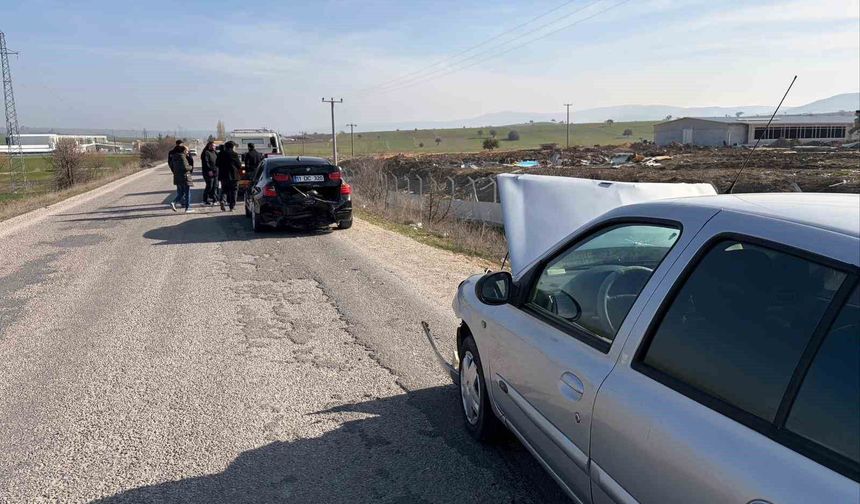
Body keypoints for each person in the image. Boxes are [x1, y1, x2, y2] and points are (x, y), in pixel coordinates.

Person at [168, 144, 194, 213]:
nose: (187, 152)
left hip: (177, 177)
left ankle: (174, 202)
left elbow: (172, 167)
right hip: (184, 177)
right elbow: (186, 167)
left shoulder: (174, 157)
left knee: (181, 193)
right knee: (187, 193)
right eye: (187, 151)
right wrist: (190, 167)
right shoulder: (182, 157)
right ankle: (187, 208)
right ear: (184, 151)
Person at [217, 141, 241, 211]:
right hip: (234, 176)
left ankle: (222, 201)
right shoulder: (234, 154)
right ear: (232, 147)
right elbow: (239, 165)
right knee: (234, 191)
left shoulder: (220, 154)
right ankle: (232, 206)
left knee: (224, 190)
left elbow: (217, 164)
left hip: (223, 175)